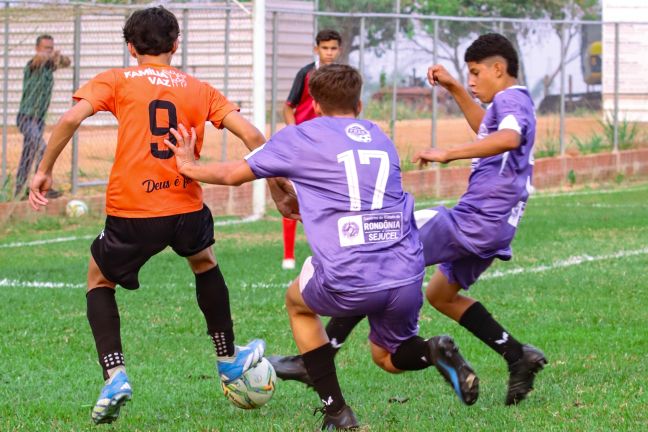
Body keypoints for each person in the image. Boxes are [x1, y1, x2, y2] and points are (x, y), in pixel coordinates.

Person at [164, 64, 479, 430]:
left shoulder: (303, 136)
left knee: (297, 304)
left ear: (313, 104)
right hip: (406, 269)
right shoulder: (380, 137)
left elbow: (233, 175)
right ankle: (433, 349)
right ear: (359, 104)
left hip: (349, 272)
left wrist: (188, 165)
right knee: (386, 355)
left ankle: (336, 411)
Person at [27, 7, 294, 424]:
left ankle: (115, 374)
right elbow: (255, 137)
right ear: (176, 43)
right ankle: (226, 358)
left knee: (99, 278)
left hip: (133, 209)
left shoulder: (116, 79)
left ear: (131, 48)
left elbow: (70, 118)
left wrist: (42, 170)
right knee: (204, 262)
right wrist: (277, 187)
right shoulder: (198, 88)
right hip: (186, 205)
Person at [268, 33, 548, 407]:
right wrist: (454, 90)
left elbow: (508, 138)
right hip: (495, 228)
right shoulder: (516, 102)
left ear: (500, 69)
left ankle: (315, 358)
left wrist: (449, 152)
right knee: (440, 295)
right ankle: (517, 355)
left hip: (473, 220)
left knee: (378, 244)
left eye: (476, 73)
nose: (472, 81)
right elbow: (491, 129)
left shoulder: (510, 98)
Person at [280, 29, 342, 270]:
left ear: (339, 50)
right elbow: (288, 107)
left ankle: (332, 249)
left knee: (332, 195)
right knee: (292, 193)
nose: (329, 52)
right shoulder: (306, 73)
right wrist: (295, 134)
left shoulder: (341, 76)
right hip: (304, 144)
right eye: (324, 48)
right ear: (316, 49)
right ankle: (288, 255)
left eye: (333, 48)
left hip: (330, 145)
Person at [14, 34, 70, 199]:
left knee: (28, 155)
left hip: (38, 120)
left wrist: (57, 57)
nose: (48, 51)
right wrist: (49, 56)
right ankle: (41, 187)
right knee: (43, 149)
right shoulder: (33, 64)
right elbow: (38, 61)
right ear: (37, 49)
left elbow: (66, 62)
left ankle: (19, 190)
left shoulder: (49, 65)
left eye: (51, 48)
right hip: (26, 117)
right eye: (46, 48)